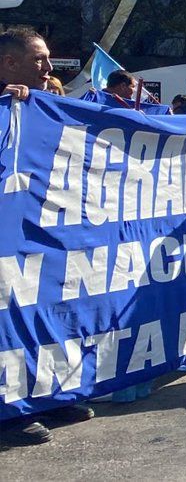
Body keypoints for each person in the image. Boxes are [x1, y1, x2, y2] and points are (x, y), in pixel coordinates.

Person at [0, 26, 96, 447]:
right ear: (9, 63)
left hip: (34, 234)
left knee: (39, 311)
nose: (48, 66)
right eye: (39, 58)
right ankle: (7, 411)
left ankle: (44, 397)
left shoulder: (37, 103)